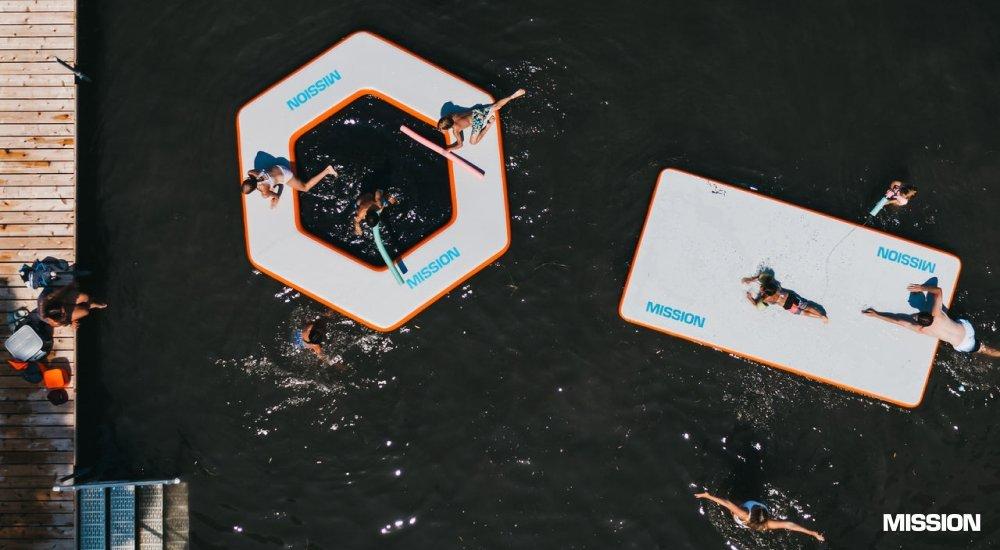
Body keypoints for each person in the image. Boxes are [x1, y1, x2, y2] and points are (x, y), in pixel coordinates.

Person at [863, 284, 1000, 357]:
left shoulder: (921, 329)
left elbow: (898, 320)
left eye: (915, 317)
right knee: (946, 314)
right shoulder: (936, 314)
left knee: (982, 349)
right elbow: (938, 291)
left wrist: (877, 315)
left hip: (963, 344)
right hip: (966, 328)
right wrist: (921, 288)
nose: (913, 316)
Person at [694, 492, 825, 541]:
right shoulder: (749, 516)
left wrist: (811, 533)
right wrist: (708, 496)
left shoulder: (762, 522)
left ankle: (762, 504)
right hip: (754, 505)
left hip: (757, 508)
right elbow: (728, 503)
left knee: (736, 507)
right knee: (737, 505)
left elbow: (788, 524)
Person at [437, 89, 526, 150]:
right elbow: (446, 121)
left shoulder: (456, 130)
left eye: (442, 129)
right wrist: (443, 126)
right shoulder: (452, 115)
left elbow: (460, 144)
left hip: (478, 120)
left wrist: (448, 148)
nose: (441, 130)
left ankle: (488, 126)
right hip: (476, 112)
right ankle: (512, 96)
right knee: (496, 106)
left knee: (473, 142)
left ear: (449, 127)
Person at [742, 271, 829, 323]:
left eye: (762, 289)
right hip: (792, 298)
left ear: (765, 292)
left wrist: (750, 297)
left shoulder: (766, 299)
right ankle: (821, 316)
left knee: (804, 313)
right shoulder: (776, 287)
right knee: (807, 307)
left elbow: (756, 304)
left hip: (788, 306)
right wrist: (752, 279)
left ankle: (820, 317)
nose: (760, 289)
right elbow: (764, 276)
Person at [242, 164, 337, 208]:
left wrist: (274, 201)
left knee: (305, 188)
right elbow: (258, 175)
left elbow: (276, 196)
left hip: (286, 175)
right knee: (268, 187)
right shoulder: (251, 172)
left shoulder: (264, 190)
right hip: (278, 167)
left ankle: (327, 170)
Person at [36, 283, 106, 329]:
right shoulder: (55, 321)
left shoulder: (49, 297)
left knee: (85, 297)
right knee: (85, 311)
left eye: (63, 310)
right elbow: (63, 323)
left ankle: (91, 300)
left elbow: (63, 289)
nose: (64, 311)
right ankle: (93, 305)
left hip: (62, 297)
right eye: (63, 312)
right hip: (60, 303)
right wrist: (71, 323)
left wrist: (70, 286)